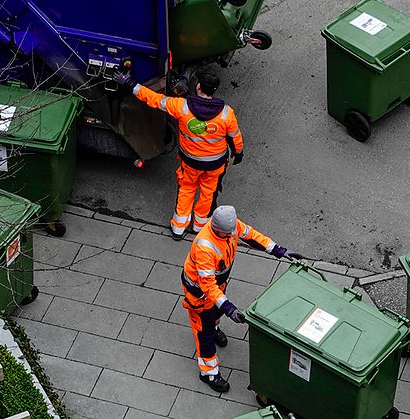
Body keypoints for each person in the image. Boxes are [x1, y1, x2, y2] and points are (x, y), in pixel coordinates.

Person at [114, 69, 244, 240]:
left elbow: (154, 99)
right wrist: (238, 152)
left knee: (187, 189)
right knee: (208, 193)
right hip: (215, 164)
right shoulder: (226, 113)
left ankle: (178, 228)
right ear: (214, 90)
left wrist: (129, 83)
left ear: (197, 86)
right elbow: (235, 136)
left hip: (190, 162)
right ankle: (199, 226)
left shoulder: (181, 107)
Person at [179, 205, 290, 392]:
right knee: (203, 332)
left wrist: (278, 250)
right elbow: (207, 285)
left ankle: (214, 329)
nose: (232, 236)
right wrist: (229, 309)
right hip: (199, 294)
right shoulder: (205, 246)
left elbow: (251, 236)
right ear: (216, 229)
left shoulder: (230, 227)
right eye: (227, 234)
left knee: (214, 315)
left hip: (217, 286)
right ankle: (209, 372)